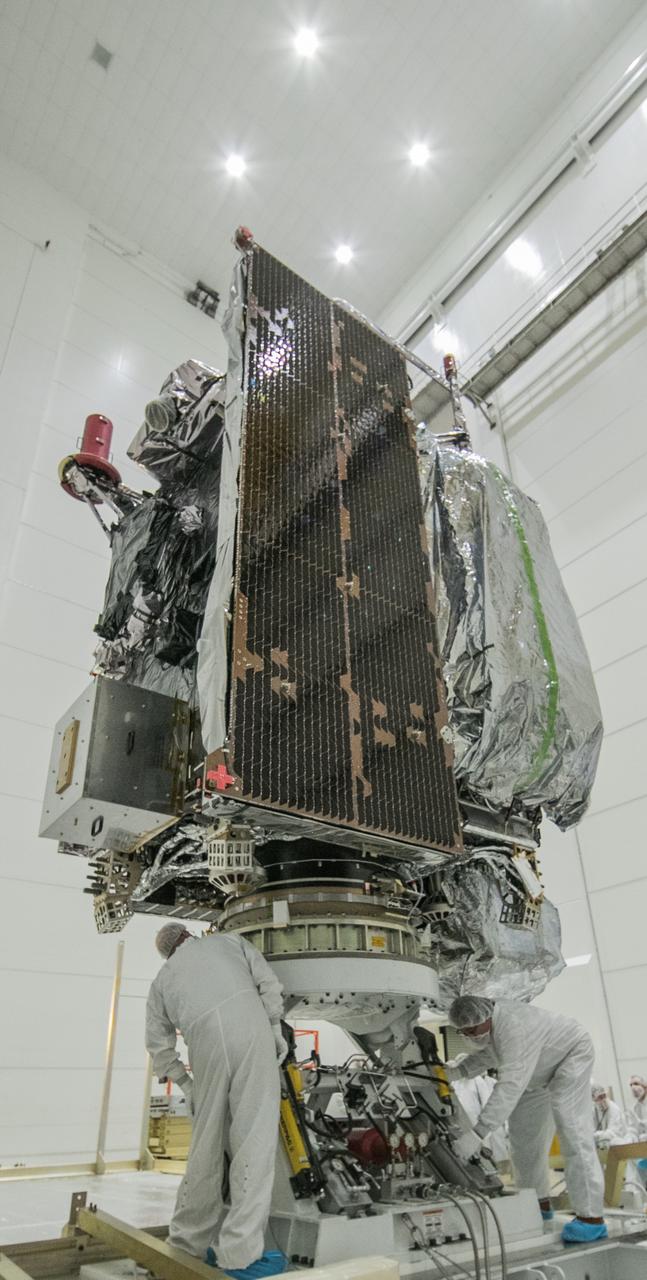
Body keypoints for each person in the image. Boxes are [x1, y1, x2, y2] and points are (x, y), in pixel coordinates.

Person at [146, 923, 288, 1279]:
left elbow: (158, 1046)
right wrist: (274, 1025)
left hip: (204, 1048)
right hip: (252, 1032)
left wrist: (186, 1083)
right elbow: (268, 983)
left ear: (167, 952)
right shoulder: (229, 942)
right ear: (188, 934)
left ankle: (185, 1245)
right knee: (253, 1142)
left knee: (205, 1148)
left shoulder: (162, 981)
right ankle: (239, 1255)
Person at [446, 995, 607, 1245]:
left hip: (570, 1055)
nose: (469, 1036)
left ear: (484, 1017)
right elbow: (490, 1054)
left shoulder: (514, 1026)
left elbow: (509, 1085)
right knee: (523, 1138)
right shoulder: (494, 1026)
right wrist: (457, 1071)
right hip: (538, 1069)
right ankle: (537, 1204)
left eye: (472, 1030)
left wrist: (477, 1133)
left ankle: (591, 1218)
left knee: (572, 1129)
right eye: (463, 1032)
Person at [591, 1083, 628, 1148]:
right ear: (593, 1099)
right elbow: (591, 1130)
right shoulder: (594, 1110)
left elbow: (612, 1133)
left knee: (613, 1142)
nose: (603, 1099)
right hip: (603, 1143)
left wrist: (596, 1135)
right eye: (600, 1097)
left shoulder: (613, 1108)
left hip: (619, 1142)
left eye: (604, 1096)